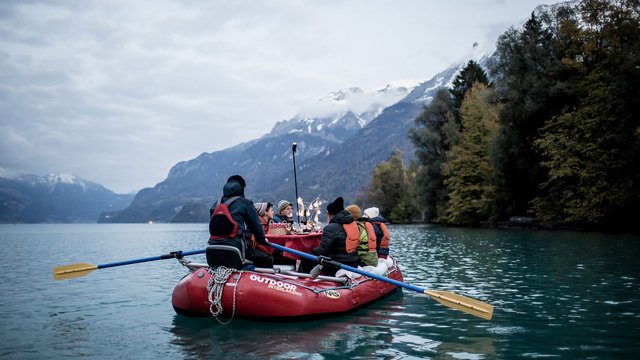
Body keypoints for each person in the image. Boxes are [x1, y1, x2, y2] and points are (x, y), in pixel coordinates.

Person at [208, 175, 273, 268]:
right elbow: (256, 226)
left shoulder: (215, 205)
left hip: (214, 247)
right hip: (235, 248)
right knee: (267, 258)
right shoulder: (245, 203)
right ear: (241, 189)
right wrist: (262, 240)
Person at [301, 197, 359, 276]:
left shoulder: (331, 227)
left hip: (337, 264)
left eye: (327, 213)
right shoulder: (353, 224)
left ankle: (305, 281)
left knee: (306, 257)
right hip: (353, 262)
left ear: (330, 214)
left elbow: (322, 251)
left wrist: (309, 251)